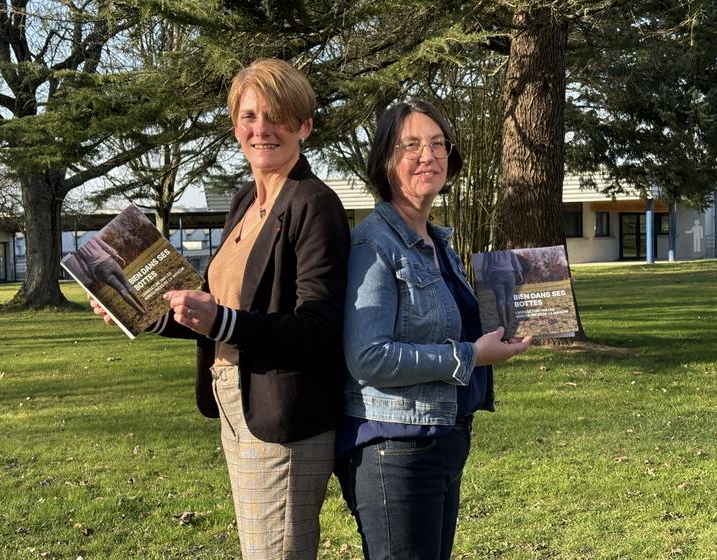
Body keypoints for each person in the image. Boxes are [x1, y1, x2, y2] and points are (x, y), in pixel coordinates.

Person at [90, 58, 350, 559]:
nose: (262, 129)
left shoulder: (314, 204)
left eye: (277, 116)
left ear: (304, 126)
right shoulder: (243, 203)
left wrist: (223, 321)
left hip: (284, 416)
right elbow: (209, 312)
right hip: (235, 403)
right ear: (236, 126)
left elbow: (319, 328)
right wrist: (135, 311)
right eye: (250, 116)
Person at [335, 99, 532, 560]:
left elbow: (447, 323)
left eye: (438, 144)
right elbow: (368, 357)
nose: (429, 155)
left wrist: (525, 312)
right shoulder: (373, 245)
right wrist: (470, 356)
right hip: (395, 448)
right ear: (385, 161)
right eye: (412, 145)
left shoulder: (437, 241)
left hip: (442, 438)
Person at [481, 249, 523, 333]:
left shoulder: (488, 252)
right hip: (509, 275)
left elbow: (485, 266)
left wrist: (485, 278)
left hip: (495, 275)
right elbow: (516, 263)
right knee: (508, 300)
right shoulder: (509, 251)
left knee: (500, 300)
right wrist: (519, 274)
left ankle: (503, 325)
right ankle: (509, 322)